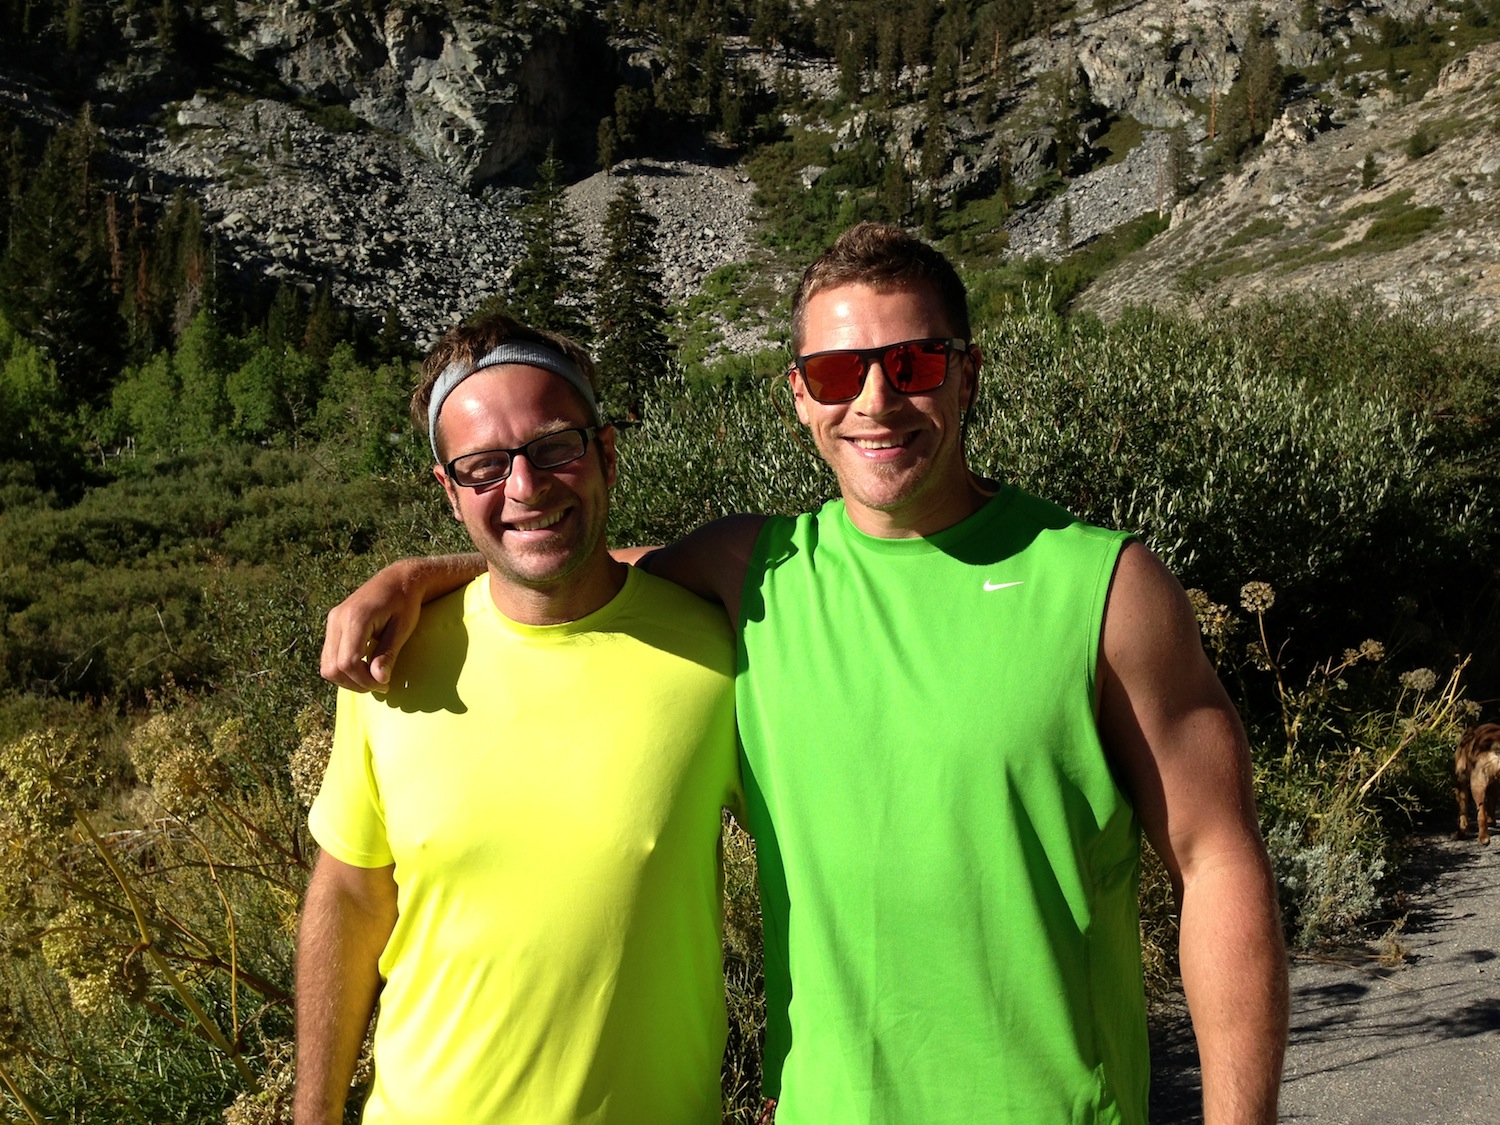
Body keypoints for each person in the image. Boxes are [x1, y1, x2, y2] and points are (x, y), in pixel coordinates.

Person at [321, 224, 1289, 1124]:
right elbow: (561, 564)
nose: (875, 400)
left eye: (912, 362)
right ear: (799, 397)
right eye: (837, 371)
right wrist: (414, 577)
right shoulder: (755, 573)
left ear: (967, 377)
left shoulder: (1105, 586)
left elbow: (1218, 860)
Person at [295, 314, 741, 1124]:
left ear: (607, 452)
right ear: (449, 489)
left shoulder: (717, 655)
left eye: (554, 447)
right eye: (485, 466)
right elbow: (352, 894)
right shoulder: (390, 660)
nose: (525, 486)